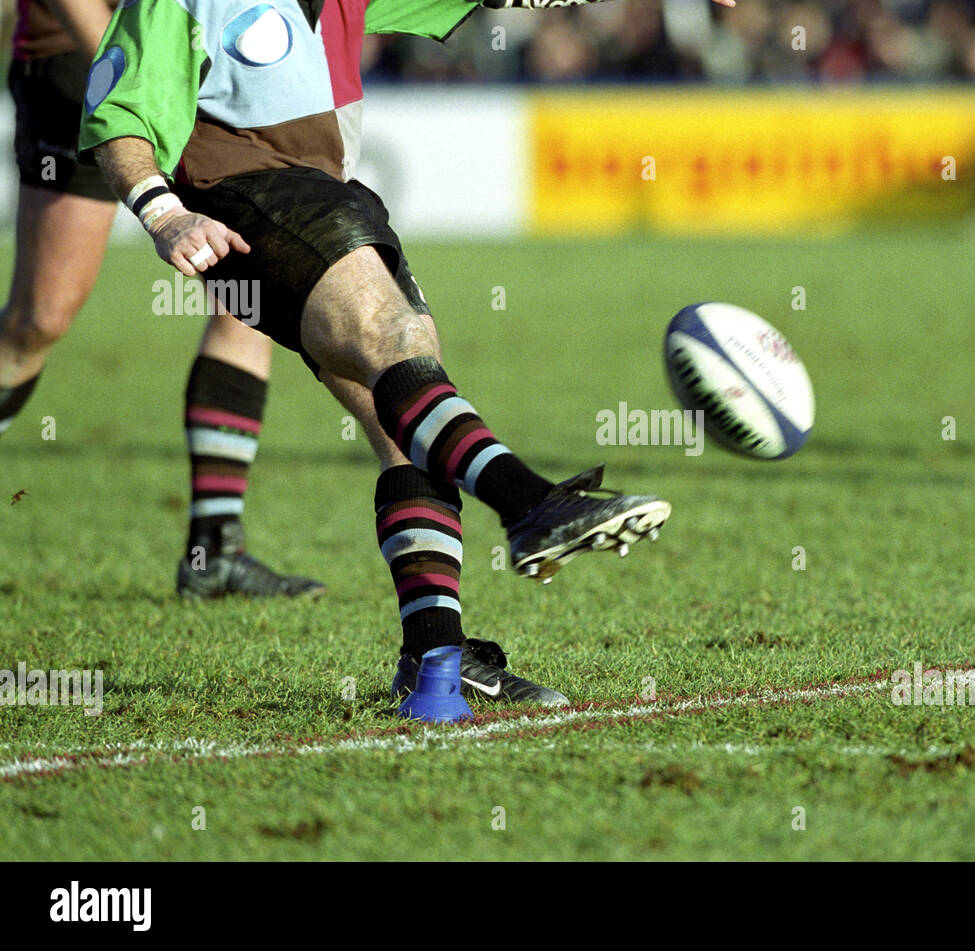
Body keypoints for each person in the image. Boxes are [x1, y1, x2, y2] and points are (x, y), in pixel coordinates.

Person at [78, 0, 731, 716]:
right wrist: (165, 213)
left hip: (327, 197)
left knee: (409, 408)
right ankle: (531, 503)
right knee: (398, 345)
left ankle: (436, 666)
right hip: (243, 199)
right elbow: (120, 109)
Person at [0, 0, 349, 599]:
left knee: (246, 301)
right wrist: (132, 77)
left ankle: (213, 552)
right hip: (84, 62)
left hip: (212, 70)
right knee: (41, 316)